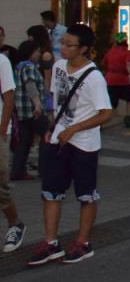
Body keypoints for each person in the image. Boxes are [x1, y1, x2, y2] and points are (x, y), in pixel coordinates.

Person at [27, 24, 112, 266]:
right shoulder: (58, 66)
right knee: (51, 192)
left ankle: (83, 243)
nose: (62, 48)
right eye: (61, 43)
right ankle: (51, 242)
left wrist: (74, 128)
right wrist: (54, 128)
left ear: (84, 48)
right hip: (59, 139)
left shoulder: (94, 77)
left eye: (68, 44)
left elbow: (106, 113)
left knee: (86, 195)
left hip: (84, 144)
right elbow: (58, 100)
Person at [2, 48, 28, 253]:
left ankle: (15, 224)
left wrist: (2, 130)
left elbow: (9, 96)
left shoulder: (2, 61)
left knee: (0, 186)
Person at [12, 40, 48, 181]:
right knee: (47, 135)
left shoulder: (18, 67)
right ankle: (45, 168)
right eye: (37, 51)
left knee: (24, 141)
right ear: (30, 52)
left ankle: (18, 170)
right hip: (32, 110)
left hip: (22, 110)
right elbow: (31, 86)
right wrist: (38, 104)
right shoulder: (29, 67)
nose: (39, 54)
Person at [103, 33, 130, 128]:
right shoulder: (127, 53)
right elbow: (129, 66)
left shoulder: (110, 52)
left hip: (110, 79)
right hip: (123, 80)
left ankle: (101, 122)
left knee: (112, 103)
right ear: (126, 41)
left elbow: (104, 63)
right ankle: (128, 118)